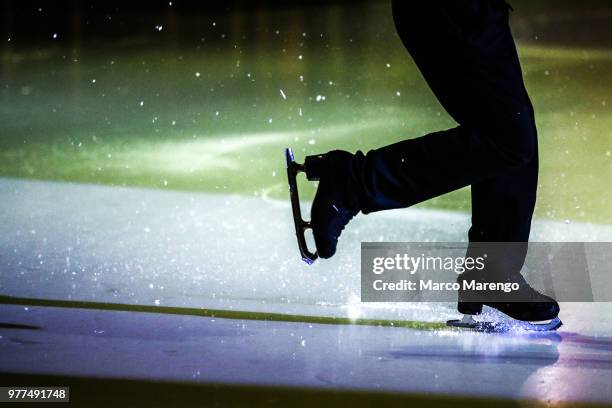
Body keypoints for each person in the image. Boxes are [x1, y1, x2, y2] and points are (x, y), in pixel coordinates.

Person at [298, 0, 560, 325]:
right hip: (453, 10)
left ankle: (492, 273)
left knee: (510, 129)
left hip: (468, 12)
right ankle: (353, 183)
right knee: (508, 137)